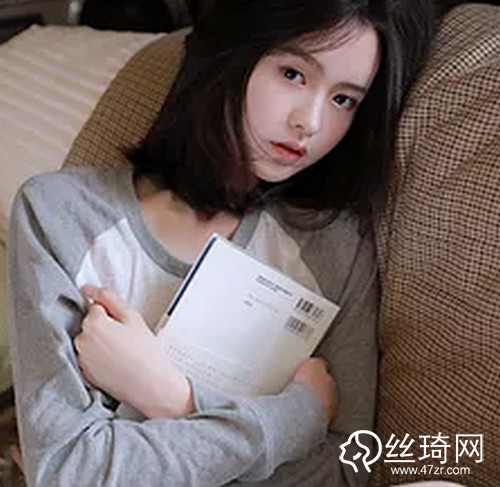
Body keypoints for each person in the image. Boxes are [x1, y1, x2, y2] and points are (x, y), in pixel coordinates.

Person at [7, 0, 435, 486]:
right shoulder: (60, 214)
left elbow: (347, 469)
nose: (310, 122)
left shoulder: (333, 244)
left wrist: (175, 398)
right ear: (232, 54)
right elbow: (67, 471)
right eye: (293, 74)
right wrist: (298, 416)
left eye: (344, 100)